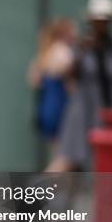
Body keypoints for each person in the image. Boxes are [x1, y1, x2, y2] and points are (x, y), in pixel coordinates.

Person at [47, 0, 112, 172]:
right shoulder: (82, 47)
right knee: (69, 160)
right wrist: (81, 51)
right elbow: (69, 75)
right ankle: (32, 195)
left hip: (110, 113)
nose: (101, 25)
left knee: (107, 164)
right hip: (83, 110)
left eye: (105, 21)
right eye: (97, 20)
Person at [28, 18, 77, 155]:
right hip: (60, 104)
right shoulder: (63, 51)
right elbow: (70, 79)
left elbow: (34, 80)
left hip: (48, 104)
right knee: (63, 152)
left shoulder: (45, 53)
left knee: (56, 150)